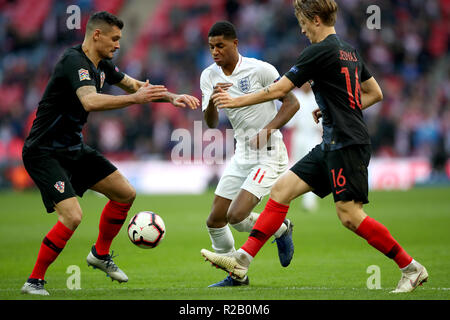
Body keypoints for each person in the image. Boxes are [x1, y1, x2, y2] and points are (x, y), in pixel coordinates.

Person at [201, 0, 428, 293]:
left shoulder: (317, 52)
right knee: (282, 190)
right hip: (332, 139)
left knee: (349, 216)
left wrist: (236, 100)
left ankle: (411, 268)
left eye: (303, 22)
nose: (302, 29)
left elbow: (280, 90)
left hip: (347, 143)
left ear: (316, 19)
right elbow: (374, 92)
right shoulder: (348, 49)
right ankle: (242, 260)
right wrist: (337, 108)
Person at [20, 11, 199, 296]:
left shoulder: (102, 64)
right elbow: (89, 100)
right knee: (72, 216)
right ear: (97, 35)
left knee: (125, 193)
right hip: (44, 152)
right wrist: (134, 100)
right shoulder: (73, 62)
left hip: (73, 149)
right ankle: (34, 281)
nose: (118, 45)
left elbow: (136, 86)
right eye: (114, 39)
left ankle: (100, 255)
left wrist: (171, 96)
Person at [200, 21, 300, 287]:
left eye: (220, 45)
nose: (215, 52)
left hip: (269, 152)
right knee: (215, 220)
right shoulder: (209, 76)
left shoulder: (261, 70)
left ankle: (278, 230)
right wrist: (211, 102)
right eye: (211, 47)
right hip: (242, 152)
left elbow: (292, 103)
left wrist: (267, 130)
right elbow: (210, 122)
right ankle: (238, 275)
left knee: (236, 215)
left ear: (235, 43)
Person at [288, 83, 322, 212]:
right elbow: (291, 122)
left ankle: (309, 201)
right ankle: (291, 196)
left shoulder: (317, 97)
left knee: (313, 168)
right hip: (299, 134)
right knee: (296, 167)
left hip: (314, 135)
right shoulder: (296, 97)